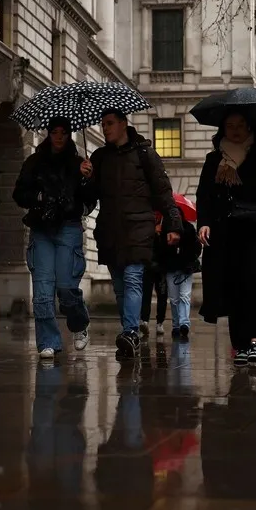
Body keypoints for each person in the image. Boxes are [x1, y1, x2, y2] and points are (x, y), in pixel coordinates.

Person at [81, 109, 182, 357]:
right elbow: (89, 199)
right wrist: (85, 178)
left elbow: (163, 192)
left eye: (110, 123)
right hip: (110, 230)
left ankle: (130, 333)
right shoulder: (100, 157)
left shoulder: (145, 154)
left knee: (133, 279)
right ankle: (130, 329)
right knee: (119, 286)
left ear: (124, 124)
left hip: (139, 228)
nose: (105, 128)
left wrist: (174, 224)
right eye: (102, 124)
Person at [195, 112, 256, 366]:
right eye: (230, 126)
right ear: (222, 129)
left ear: (250, 127)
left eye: (240, 126)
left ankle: (254, 342)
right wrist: (204, 222)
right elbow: (204, 194)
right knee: (234, 287)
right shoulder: (215, 159)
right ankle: (239, 345)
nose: (235, 130)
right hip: (226, 231)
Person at [13, 116, 93, 358]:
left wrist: (85, 179)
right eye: (54, 132)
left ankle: (79, 325)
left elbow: (90, 199)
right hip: (42, 229)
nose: (58, 136)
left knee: (67, 287)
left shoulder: (79, 164)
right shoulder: (34, 163)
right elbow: (19, 193)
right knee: (43, 289)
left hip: (68, 228)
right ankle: (48, 340)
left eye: (63, 132)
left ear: (69, 136)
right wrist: (39, 197)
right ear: (48, 134)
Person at [159, 217, 202, 339]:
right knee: (174, 298)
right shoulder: (165, 230)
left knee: (184, 296)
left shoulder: (188, 229)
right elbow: (161, 250)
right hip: (171, 268)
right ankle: (176, 324)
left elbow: (196, 247)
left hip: (185, 268)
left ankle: (184, 323)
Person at [139, 263, 168, 338]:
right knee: (148, 295)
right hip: (153, 265)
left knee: (160, 295)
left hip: (158, 265)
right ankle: (150, 321)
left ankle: (155, 322)